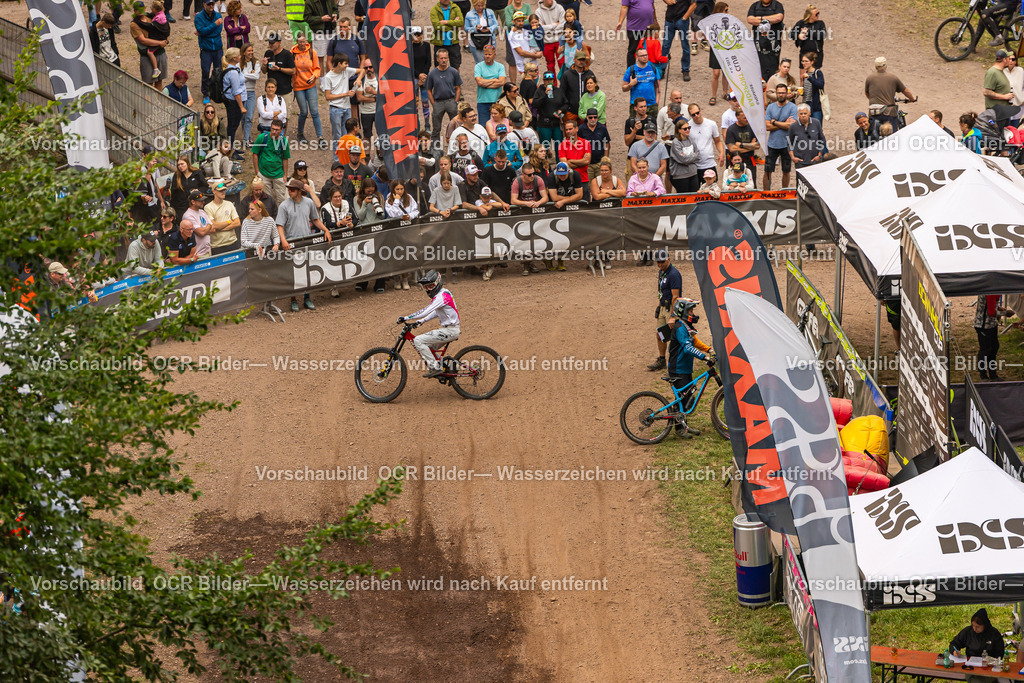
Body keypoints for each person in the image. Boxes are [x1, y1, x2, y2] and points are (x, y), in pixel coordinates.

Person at [277, 177, 331, 310]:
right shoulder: (284, 206)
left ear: (300, 191)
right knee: (293, 273)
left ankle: (307, 297)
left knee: (307, 270)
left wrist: (326, 230)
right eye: (289, 189)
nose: (290, 191)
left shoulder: (308, 203)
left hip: (306, 240)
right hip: (291, 242)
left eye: (293, 189)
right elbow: (279, 225)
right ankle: (293, 299)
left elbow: (315, 219)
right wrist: (283, 240)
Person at [397, 270, 461, 378]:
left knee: (418, 340)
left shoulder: (441, 297)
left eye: (430, 286)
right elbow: (436, 312)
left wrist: (406, 318)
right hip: (450, 329)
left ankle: (435, 368)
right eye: (426, 287)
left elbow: (426, 310)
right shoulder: (444, 293)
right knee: (428, 347)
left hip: (449, 331)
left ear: (438, 283)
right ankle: (442, 368)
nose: (428, 289)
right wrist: (422, 321)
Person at [666, 297, 713, 435]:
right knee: (682, 397)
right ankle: (679, 429)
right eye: (690, 310)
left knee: (687, 396)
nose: (693, 313)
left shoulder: (686, 326)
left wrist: (708, 349)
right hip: (678, 368)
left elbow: (694, 341)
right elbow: (687, 347)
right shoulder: (680, 328)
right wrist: (704, 357)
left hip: (684, 368)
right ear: (683, 312)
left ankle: (683, 425)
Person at [949, 608, 1005, 681]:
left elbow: (1000, 652)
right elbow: (954, 643)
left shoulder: (994, 634)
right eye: (973, 625)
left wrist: (991, 661)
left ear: (984, 625)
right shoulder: (968, 632)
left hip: (988, 667)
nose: (974, 629)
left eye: (977, 627)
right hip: (970, 666)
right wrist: (954, 651)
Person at [647, 249, 681, 370]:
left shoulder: (674, 274)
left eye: (662, 262)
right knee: (660, 334)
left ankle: (674, 366)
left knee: (675, 338)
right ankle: (662, 360)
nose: (660, 264)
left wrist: (673, 316)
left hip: (671, 309)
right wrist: (659, 305)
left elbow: (675, 297)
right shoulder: (662, 272)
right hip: (663, 308)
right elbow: (661, 291)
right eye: (658, 262)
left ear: (668, 259)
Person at [865, 56, 916, 130]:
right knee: (892, 136)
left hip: (874, 112)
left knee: (874, 135)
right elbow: (906, 91)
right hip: (888, 113)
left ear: (875, 67)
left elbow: (867, 93)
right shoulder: (893, 78)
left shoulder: (869, 78)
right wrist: (912, 99)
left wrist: (873, 100)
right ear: (886, 66)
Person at [426, 49, 463, 147]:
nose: (444, 60)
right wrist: (433, 103)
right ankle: (435, 148)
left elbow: (458, 88)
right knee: (436, 128)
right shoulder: (432, 73)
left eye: (445, 58)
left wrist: (456, 101)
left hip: (451, 100)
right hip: (438, 102)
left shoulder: (453, 72)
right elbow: (429, 89)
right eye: (441, 58)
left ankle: (457, 145)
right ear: (437, 59)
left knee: (457, 125)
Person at [321, 55, 361, 146]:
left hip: (347, 108)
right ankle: (337, 159)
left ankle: (346, 157)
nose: (347, 65)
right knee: (337, 136)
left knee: (347, 135)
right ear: (339, 63)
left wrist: (358, 80)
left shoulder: (346, 71)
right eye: (345, 63)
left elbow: (362, 70)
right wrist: (345, 94)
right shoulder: (328, 77)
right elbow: (328, 96)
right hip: (335, 109)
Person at [291, 33, 323, 145]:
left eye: (303, 41)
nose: (302, 44)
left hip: (311, 86)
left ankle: (320, 137)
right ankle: (300, 133)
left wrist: (314, 76)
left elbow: (317, 68)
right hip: (298, 86)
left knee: (314, 111)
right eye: (300, 42)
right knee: (304, 112)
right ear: (297, 42)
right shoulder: (293, 53)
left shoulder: (311, 52)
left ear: (306, 41)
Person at [764, 83, 796, 190]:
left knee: (786, 171)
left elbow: (791, 126)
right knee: (768, 171)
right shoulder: (770, 107)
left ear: (787, 93)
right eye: (779, 93)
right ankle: (766, 193)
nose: (781, 95)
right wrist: (782, 123)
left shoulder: (792, 107)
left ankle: (784, 192)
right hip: (772, 144)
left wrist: (774, 122)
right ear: (776, 94)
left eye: (783, 93)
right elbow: (766, 126)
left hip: (787, 144)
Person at [129, 2, 168, 89]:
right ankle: (148, 102)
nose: (139, 11)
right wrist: (160, 43)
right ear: (134, 11)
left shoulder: (151, 17)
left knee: (159, 81)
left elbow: (164, 26)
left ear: (145, 8)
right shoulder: (134, 24)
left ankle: (158, 102)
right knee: (148, 85)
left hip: (160, 52)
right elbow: (143, 40)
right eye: (137, 9)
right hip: (147, 55)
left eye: (141, 8)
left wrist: (166, 38)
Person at [252, 118, 291, 205]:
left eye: (277, 130)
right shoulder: (262, 138)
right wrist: (257, 172)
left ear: (281, 130)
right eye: (272, 129)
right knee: (266, 201)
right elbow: (255, 154)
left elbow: (285, 158)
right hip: (264, 173)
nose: (274, 132)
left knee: (282, 200)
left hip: (278, 174)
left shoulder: (283, 141)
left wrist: (285, 175)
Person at [746, 0, 784, 82]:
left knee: (773, 68)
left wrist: (761, 18)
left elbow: (778, 18)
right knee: (758, 67)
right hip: (758, 43)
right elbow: (750, 20)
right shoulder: (755, 6)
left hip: (773, 44)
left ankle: (771, 89)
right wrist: (770, 20)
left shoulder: (777, 5)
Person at [195, 0, 224, 105]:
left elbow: (218, 31)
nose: (211, 6)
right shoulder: (198, 17)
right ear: (203, 4)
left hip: (218, 48)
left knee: (218, 71)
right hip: (206, 50)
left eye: (212, 4)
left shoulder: (218, 15)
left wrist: (204, 32)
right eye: (209, 4)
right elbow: (201, 31)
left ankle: (217, 91)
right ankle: (206, 93)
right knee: (205, 71)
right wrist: (214, 24)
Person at [533, 71, 569, 152]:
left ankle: (559, 163)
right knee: (544, 148)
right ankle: (544, 163)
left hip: (557, 123)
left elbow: (566, 103)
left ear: (554, 80)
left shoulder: (559, 91)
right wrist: (544, 95)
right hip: (544, 124)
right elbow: (535, 104)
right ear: (543, 81)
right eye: (547, 80)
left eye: (551, 79)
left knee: (559, 147)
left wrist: (561, 110)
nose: (549, 81)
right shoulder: (539, 91)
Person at [687, 103, 724, 178]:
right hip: (694, 165)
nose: (696, 116)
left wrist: (722, 153)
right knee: (695, 189)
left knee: (711, 188)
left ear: (700, 111)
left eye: (697, 113)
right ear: (690, 115)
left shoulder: (711, 124)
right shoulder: (687, 126)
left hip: (709, 163)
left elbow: (718, 141)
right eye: (693, 114)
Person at [662, 0, 695, 82]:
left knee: (685, 46)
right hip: (669, 19)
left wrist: (685, 17)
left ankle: (685, 70)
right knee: (665, 45)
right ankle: (661, 69)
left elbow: (694, 4)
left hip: (682, 20)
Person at [616, 0, 656, 68]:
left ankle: (647, 70)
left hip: (648, 26)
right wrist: (620, 22)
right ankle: (631, 71)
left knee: (648, 49)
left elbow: (652, 7)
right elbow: (624, 7)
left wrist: (655, 21)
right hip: (635, 27)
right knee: (633, 49)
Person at [976, 295, 1007, 381]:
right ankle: (983, 375)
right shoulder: (990, 292)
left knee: (994, 348)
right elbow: (991, 312)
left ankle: (993, 375)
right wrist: (1005, 313)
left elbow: (989, 305)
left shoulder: (991, 289)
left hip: (991, 324)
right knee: (985, 350)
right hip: (984, 325)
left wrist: (999, 308)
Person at [165, 155, 206, 221]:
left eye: (182, 164)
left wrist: (198, 190)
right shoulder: (177, 176)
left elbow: (205, 186)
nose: (180, 166)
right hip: (181, 207)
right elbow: (173, 193)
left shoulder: (197, 173)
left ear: (187, 163)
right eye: (178, 165)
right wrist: (172, 209)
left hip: (195, 205)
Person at [204, 181, 240, 254]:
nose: (223, 192)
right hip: (217, 245)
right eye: (220, 191)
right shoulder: (208, 207)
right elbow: (214, 225)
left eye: (224, 190)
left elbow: (238, 223)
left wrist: (220, 228)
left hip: (232, 242)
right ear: (214, 191)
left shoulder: (229, 204)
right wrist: (229, 221)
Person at [473, 44, 507, 123]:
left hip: (497, 100)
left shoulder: (500, 66)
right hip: (483, 101)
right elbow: (480, 82)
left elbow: (502, 81)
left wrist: (485, 82)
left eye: (489, 54)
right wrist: (495, 80)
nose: (487, 56)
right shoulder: (478, 66)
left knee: (498, 123)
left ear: (494, 55)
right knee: (484, 125)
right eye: (486, 54)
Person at [220, 48, 246, 150]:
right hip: (234, 103)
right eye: (239, 55)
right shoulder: (233, 73)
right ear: (234, 58)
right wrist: (241, 107)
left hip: (233, 101)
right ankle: (230, 149)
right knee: (232, 126)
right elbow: (236, 92)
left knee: (233, 126)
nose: (241, 56)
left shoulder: (233, 69)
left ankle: (232, 148)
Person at [725, 110, 759, 186]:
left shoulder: (752, 127)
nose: (747, 119)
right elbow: (732, 149)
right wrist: (751, 146)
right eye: (744, 118)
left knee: (751, 183)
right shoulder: (731, 129)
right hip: (736, 161)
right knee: (734, 183)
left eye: (748, 117)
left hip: (749, 160)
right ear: (738, 118)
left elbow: (757, 145)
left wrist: (740, 145)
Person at [622, 48, 660, 115]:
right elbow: (623, 88)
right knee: (635, 124)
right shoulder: (631, 70)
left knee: (652, 125)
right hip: (636, 106)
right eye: (642, 56)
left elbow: (657, 87)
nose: (645, 57)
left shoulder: (653, 68)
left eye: (646, 55)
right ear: (637, 57)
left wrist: (656, 102)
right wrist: (630, 85)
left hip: (651, 105)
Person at [507, 11, 541, 85]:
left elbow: (535, 44)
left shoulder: (527, 31)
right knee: (529, 87)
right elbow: (520, 52)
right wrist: (536, 55)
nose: (521, 23)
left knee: (536, 86)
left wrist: (540, 51)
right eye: (518, 21)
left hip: (534, 64)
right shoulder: (512, 35)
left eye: (522, 20)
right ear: (513, 21)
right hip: (523, 66)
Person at [788, 103, 826, 168]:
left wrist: (819, 155)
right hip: (800, 162)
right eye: (801, 114)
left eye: (805, 113)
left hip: (815, 161)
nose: (803, 115)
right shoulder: (793, 126)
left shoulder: (816, 123)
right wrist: (793, 157)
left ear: (809, 113)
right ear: (798, 114)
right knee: (800, 178)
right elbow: (789, 143)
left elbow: (822, 139)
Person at [430, 0, 465, 71]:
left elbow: (461, 22)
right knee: (438, 67)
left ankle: (455, 82)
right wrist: (453, 25)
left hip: (453, 43)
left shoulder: (455, 7)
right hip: (439, 43)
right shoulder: (434, 9)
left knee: (456, 67)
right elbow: (437, 26)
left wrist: (446, 22)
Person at [262, 32, 296, 105]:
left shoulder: (287, 54)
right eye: (269, 43)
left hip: (284, 91)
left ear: (279, 42)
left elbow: (293, 71)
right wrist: (264, 65)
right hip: (271, 92)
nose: (270, 45)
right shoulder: (268, 53)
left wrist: (279, 69)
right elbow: (264, 71)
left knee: (285, 115)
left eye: (272, 43)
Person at [560, 52, 595, 120]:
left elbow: (594, 91)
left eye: (583, 60)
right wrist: (565, 107)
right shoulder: (567, 75)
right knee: (570, 130)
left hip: (585, 111)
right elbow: (562, 92)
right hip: (571, 111)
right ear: (574, 60)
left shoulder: (590, 74)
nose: (581, 62)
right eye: (579, 60)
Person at [669, 118, 701, 193]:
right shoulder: (676, 143)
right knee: (684, 199)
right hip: (681, 176)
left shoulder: (690, 139)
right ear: (679, 130)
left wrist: (688, 157)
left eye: (689, 128)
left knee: (694, 197)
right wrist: (693, 156)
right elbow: (683, 159)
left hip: (693, 174)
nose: (688, 130)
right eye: (685, 129)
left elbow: (698, 155)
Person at [305, 0, 338, 72]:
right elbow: (307, 18)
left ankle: (329, 78)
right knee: (320, 58)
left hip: (331, 31)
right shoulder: (310, 2)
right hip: (318, 33)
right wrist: (321, 19)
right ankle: (322, 80)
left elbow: (335, 9)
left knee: (331, 57)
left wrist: (335, 15)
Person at [707, 1, 730, 104]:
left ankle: (725, 92)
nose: (727, 12)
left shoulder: (729, 20)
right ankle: (713, 95)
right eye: (726, 10)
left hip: (726, 48)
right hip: (716, 49)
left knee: (725, 72)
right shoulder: (711, 21)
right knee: (716, 73)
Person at [578, 108, 610, 180]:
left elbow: (606, 143)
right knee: (588, 185)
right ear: (586, 117)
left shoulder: (602, 128)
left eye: (595, 117)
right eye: (590, 117)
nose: (593, 119)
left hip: (599, 163)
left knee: (601, 184)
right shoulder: (581, 129)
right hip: (587, 164)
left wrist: (605, 159)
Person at [182, 189, 215, 259]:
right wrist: (208, 225)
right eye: (200, 201)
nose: (203, 202)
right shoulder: (188, 215)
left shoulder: (202, 212)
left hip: (208, 251)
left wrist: (205, 229)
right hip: (197, 254)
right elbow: (201, 233)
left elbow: (213, 229)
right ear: (193, 202)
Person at [238, 44, 260, 143]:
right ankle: (247, 136)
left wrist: (245, 75)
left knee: (249, 116)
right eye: (249, 51)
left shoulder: (256, 63)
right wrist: (251, 74)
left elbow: (256, 77)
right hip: (242, 92)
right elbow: (239, 79)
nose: (251, 52)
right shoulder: (239, 64)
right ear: (244, 52)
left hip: (251, 92)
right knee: (243, 117)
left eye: (252, 50)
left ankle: (246, 139)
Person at [537, 0, 565, 73]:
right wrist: (555, 25)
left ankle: (564, 83)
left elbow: (563, 26)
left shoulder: (560, 8)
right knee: (550, 65)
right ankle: (552, 83)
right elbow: (540, 29)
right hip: (547, 42)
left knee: (562, 63)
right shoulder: (538, 12)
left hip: (560, 41)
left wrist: (547, 28)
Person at [144, 1, 170, 83]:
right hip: (163, 38)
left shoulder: (158, 20)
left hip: (159, 39)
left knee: (149, 52)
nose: (150, 9)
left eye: (151, 8)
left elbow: (150, 26)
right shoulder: (162, 15)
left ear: (155, 9)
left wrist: (140, 22)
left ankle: (156, 69)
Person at [800, 52, 824, 122]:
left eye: (806, 61)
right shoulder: (805, 74)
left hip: (815, 105)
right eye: (803, 61)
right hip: (806, 104)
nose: (804, 63)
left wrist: (810, 78)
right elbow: (806, 90)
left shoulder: (817, 72)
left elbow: (820, 85)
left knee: (816, 126)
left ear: (812, 62)